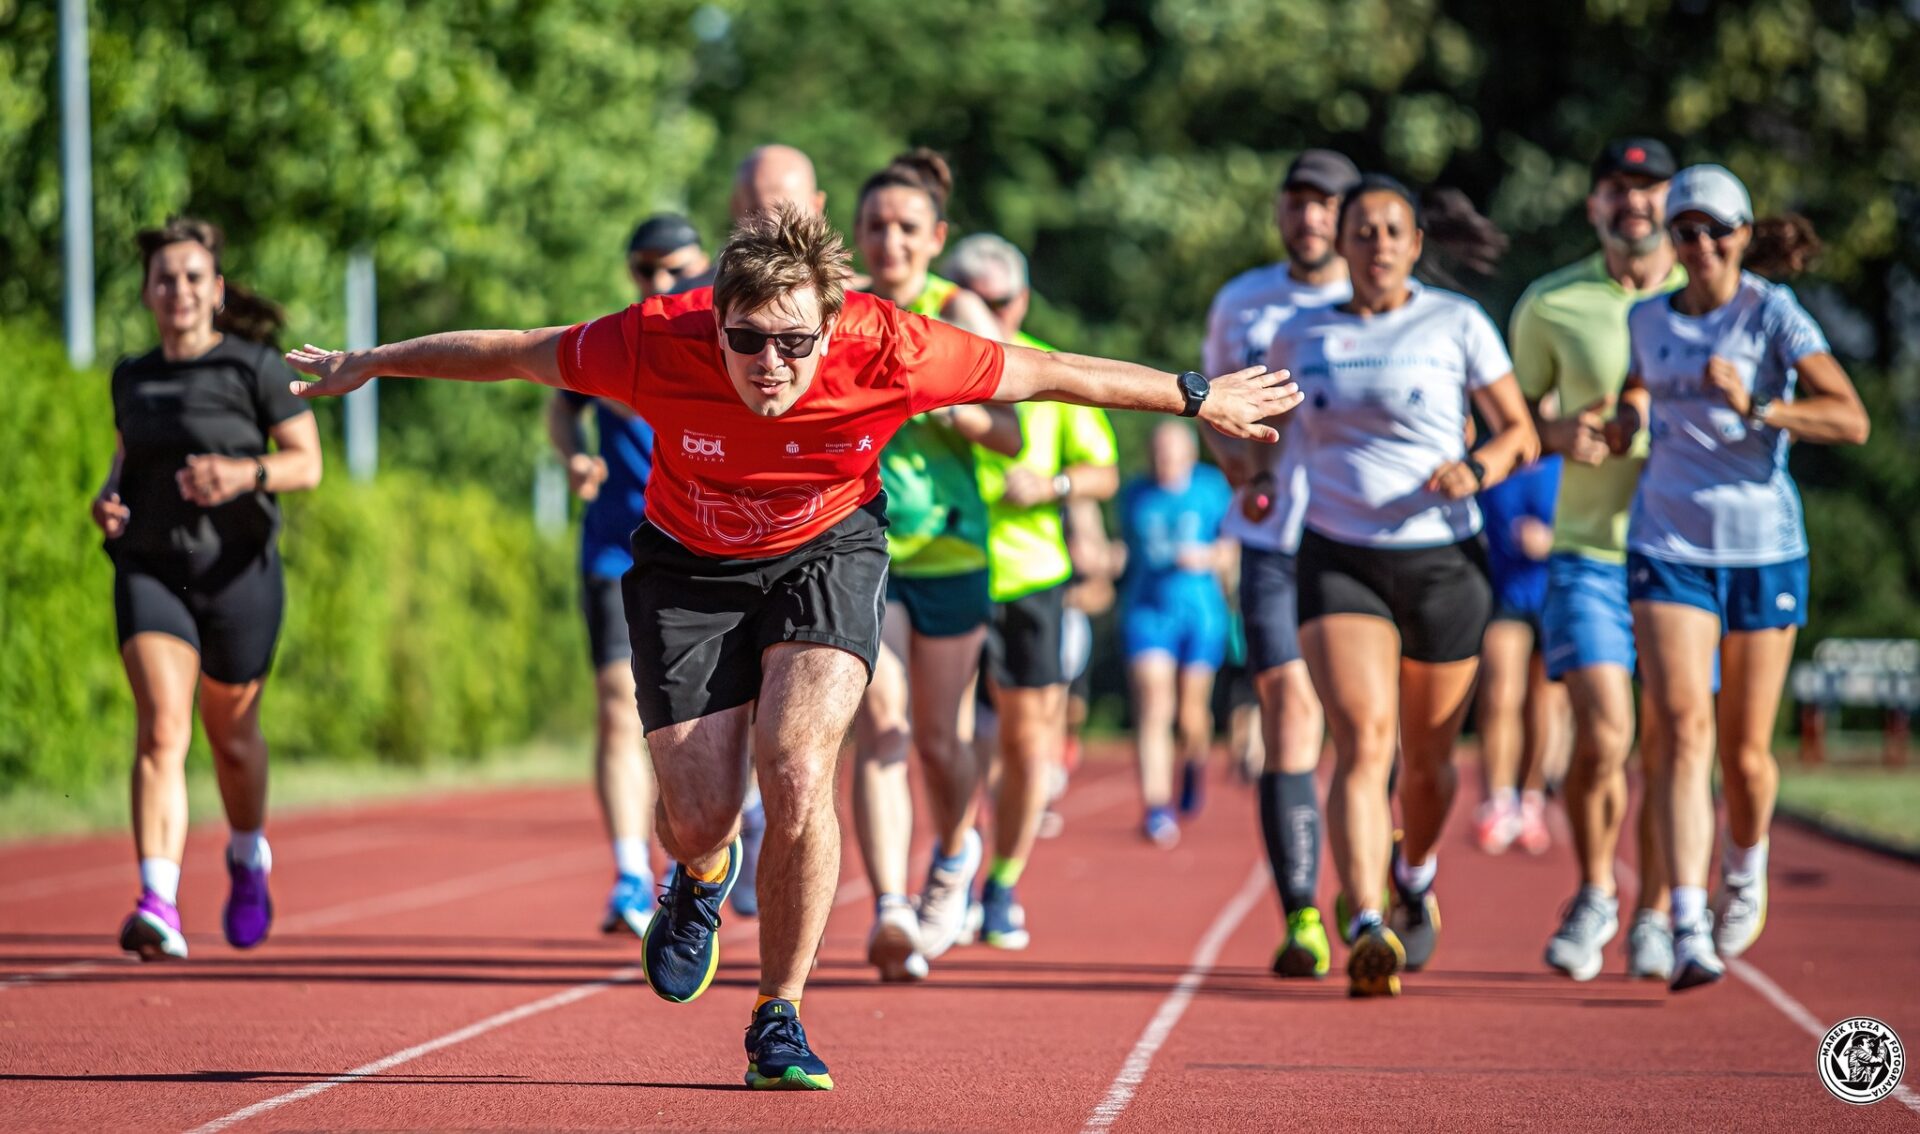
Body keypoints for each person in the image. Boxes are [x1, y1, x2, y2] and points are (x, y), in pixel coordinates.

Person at [284, 204, 1294, 1089]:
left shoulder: (891, 345)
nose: (773, 365)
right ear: (711, 322)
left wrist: (1200, 398)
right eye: (749, 341)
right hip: (685, 569)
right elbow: (512, 348)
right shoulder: (650, 340)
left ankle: (780, 1011)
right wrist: (369, 363)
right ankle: (701, 875)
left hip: (828, 550)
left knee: (800, 766)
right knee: (699, 812)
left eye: (795, 343)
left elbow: (1052, 375)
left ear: (832, 327)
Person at [1269, 176, 1539, 997]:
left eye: (1393, 230)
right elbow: (1267, 431)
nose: (1378, 243)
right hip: (1340, 555)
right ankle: (1367, 922)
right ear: (1341, 244)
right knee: (1363, 740)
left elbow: (1520, 430)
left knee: (1427, 763)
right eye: (1364, 231)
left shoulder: (1457, 323)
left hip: (1444, 562)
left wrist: (1478, 468)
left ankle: (1412, 872)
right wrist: (1246, 470)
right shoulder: (1302, 332)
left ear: (1416, 244)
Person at [1607, 164, 1868, 991]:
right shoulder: (1648, 318)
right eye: (1687, 231)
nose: (1703, 245)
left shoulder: (1774, 314)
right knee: (1681, 729)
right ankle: (1687, 920)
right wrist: (1621, 422)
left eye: (1718, 230)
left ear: (1744, 235)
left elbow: (1849, 418)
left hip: (1762, 548)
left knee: (1746, 754)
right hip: (1669, 543)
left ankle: (1743, 869)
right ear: (1672, 242)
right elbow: (1638, 393)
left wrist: (1761, 406)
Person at [99, 218, 323, 960]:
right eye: (165, 278)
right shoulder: (131, 376)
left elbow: (306, 464)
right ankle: (157, 899)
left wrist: (242, 473)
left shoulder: (251, 368)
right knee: (163, 727)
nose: (179, 291)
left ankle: (247, 854)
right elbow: (127, 461)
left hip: (238, 573)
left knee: (231, 739)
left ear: (216, 289)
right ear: (147, 293)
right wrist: (107, 501)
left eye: (194, 277)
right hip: (152, 567)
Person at [845, 150, 1021, 981]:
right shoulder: (838, 312)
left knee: (943, 743)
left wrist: (948, 409)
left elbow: (1012, 433)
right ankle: (888, 906)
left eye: (907, 228)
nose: (890, 241)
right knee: (882, 720)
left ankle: (955, 850)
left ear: (935, 236)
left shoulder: (964, 314)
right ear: (857, 234)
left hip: (950, 545)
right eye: (876, 226)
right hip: (859, 542)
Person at [1516, 138, 1687, 984]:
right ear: (1595, 204)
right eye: (1620, 189)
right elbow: (1507, 422)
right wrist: (1553, 433)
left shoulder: (1714, 296)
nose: (1636, 204)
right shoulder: (1552, 302)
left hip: (1689, 557)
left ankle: (1655, 911)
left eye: (1651, 189)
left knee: (1668, 746)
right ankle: (1593, 891)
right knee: (1605, 736)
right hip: (1589, 552)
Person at [1200, 147, 1359, 978]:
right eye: (1296, 203)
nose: (1309, 218)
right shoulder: (1243, 301)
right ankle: (1302, 911)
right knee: (1289, 714)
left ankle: (1379, 877)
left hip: (1371, 545)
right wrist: (1246, 476)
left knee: (1372, 728)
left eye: (1325, 205)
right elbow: (1209, 409)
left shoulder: (1379, 306)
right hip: (1272, 541)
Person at [945, 232, 1120, 946]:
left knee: (1025, 747)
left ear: (1020, 301)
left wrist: (1053, 486)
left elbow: (1102, 470)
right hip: (943, 570)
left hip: (1030, 579)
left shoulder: (1046, 368)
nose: (982, 311)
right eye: (967, 298)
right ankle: (948, 866)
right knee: (940, 739)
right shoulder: (928, 366)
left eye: (996, 300)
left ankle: (1002, 883)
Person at [545, 214, 712, 938]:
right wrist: (573, 456)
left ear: (703, 261)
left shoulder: (730, 333)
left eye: (674, 267)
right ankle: (626, 874)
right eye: (645, 270)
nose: (661, 283)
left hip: (706, 547)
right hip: (619, 545)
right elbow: (560, 402)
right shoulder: (610, 338)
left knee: (702, 724)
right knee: (619, 704)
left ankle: (708, 852)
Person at [1119, 423, 1233, 847]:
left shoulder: (1211, 488)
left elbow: (1233, 548)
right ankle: (1155, 806)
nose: (1164, 461)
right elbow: (1126, 551)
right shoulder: (1134, 494)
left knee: (1191, 715)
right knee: (1154, 704)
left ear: (1189, 455)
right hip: (1148, 613)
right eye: (1158, 453)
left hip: (1201, 615)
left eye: (1172, 453)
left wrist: (1206, 557)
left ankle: (1193, 766)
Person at [1470, 454, 1570, 858]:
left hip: (1553, 592)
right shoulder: (1492, 456)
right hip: (1503, 591)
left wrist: (1550, 541)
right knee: (1500, 693)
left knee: (1544, 701)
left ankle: (1532, 800)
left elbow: (1594, 528)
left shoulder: (1565, 464)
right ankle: (1499, 799)